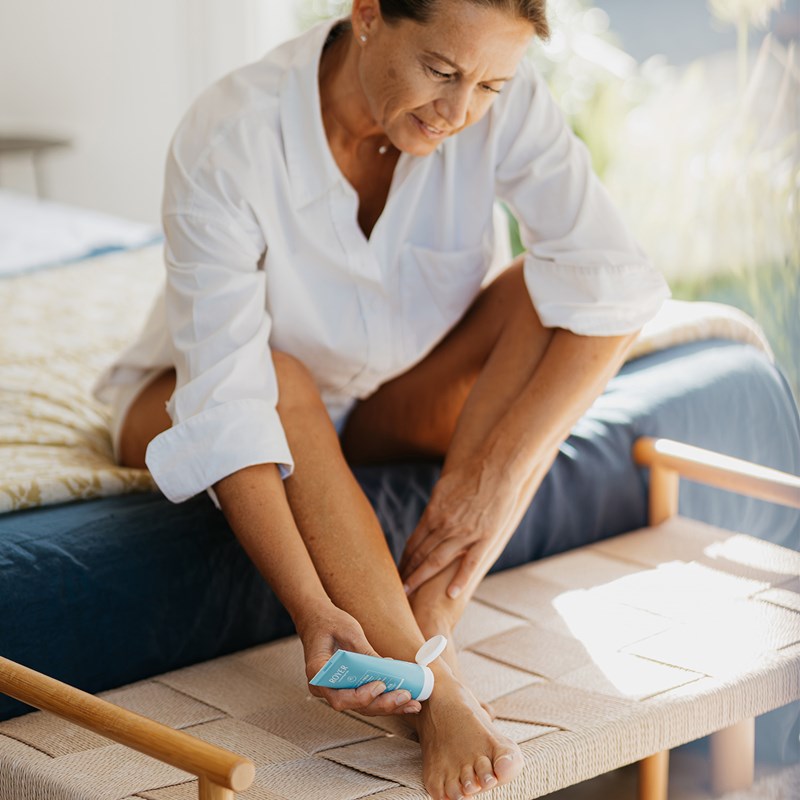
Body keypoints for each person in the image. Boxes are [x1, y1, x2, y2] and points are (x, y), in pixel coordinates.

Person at [95, 0, 669, 797]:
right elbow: (228, 404)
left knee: (557, 284)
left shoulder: (498, 102)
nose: (460, 112)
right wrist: (308, 608)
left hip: (385, 398)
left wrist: (489, 482)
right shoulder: (231, 133)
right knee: (280, 375)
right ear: (368, 12)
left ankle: (435, 604)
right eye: (440, 72)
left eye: (490, 86)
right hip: (198, 391)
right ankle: (437, 687)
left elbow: (617, 283)